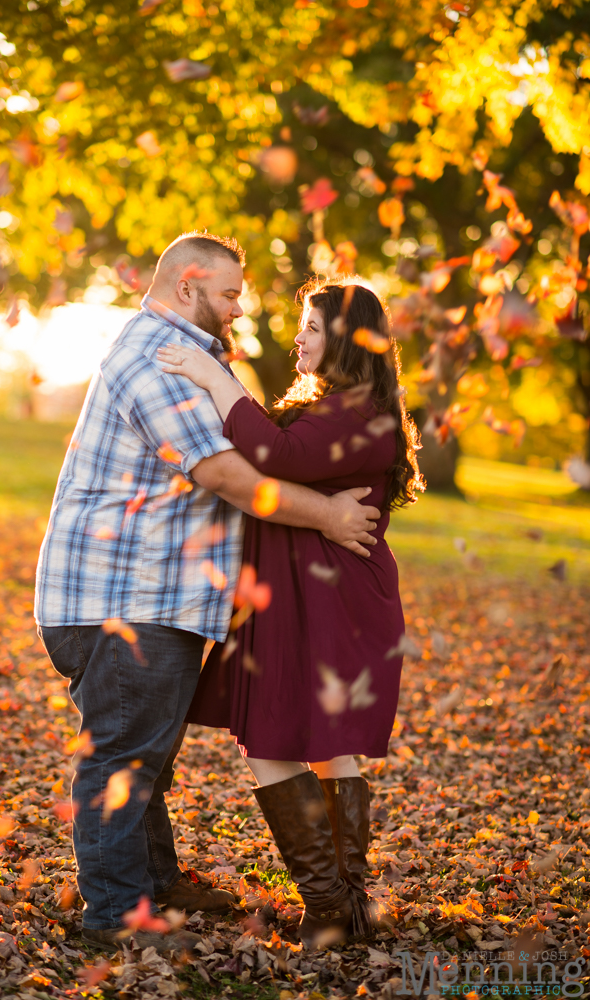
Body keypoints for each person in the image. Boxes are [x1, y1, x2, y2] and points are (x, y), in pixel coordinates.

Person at [34, 234, 382, 951]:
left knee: (144, 757)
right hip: (119, 601)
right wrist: (330, 515)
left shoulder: (185, 355)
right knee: (123, 761)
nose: (240, 305)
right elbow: (228, 475)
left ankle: (157, 885)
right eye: (229, 293)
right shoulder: (156, 362)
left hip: (146, 598)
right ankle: (113, 918)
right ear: (188, 287)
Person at [157, 277, 424, 947]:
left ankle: (333, 903)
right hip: (300, 593)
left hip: (329, 600)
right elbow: (266, 452)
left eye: (310, 325)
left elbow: (275, 455)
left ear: (346, 337)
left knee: (278, 736)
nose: (297, 336)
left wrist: (215, 376)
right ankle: (346, 902)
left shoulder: (363, 411)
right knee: (307, 740)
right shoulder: (330, 403)